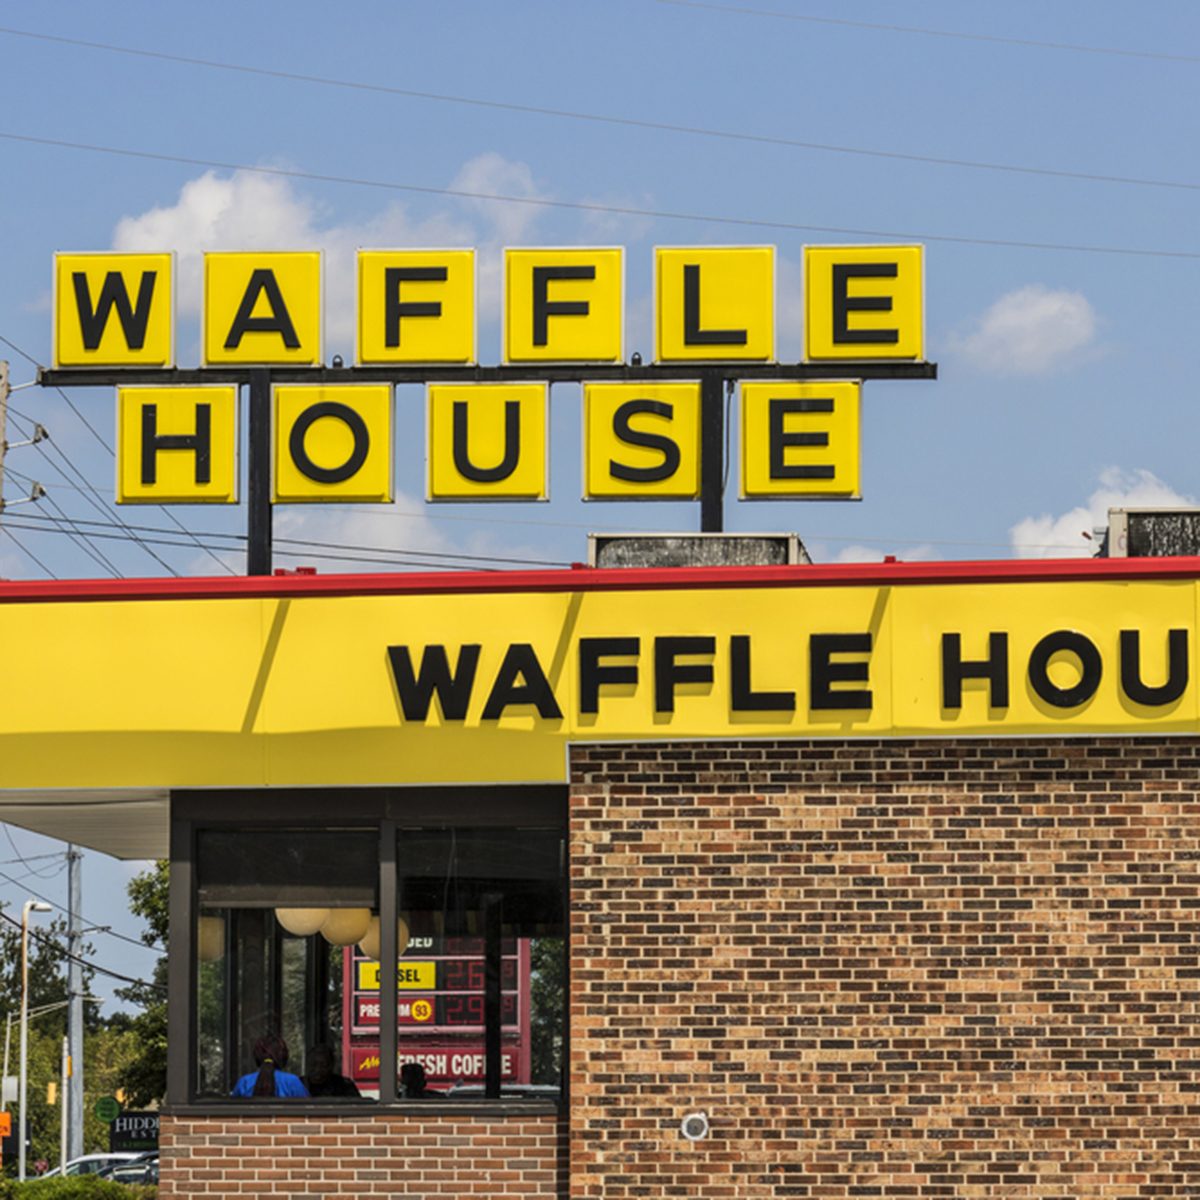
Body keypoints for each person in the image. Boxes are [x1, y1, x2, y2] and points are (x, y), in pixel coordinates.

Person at [231, 1034, 309, 1098]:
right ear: (284, 1056)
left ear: (256, 1056)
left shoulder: (244, 1082)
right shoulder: (292, 1082)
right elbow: (309, 1110)